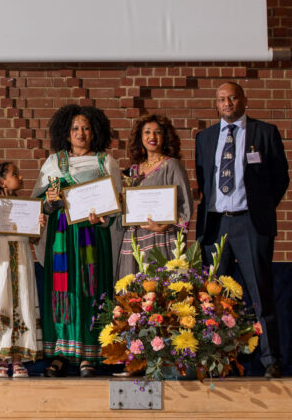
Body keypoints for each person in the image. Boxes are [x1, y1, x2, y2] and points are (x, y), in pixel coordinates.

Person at [195, 82, 289, 379]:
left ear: (244, 100)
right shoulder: (205, 137)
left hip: (250, 223)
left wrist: (260, 207)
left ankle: (271, 359)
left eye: (233, 97)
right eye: (221, 99)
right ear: (216, 104)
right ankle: (216, 360)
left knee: (260, 292)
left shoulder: (265, 132)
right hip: (216, 224)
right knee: (214, 297)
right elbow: (204, 179)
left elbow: (280, 178)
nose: (227, 103)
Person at [31, 104, 121, 378]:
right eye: (75, 129)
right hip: (62, 237)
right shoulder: (53, 162)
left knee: (90, 289)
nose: (80, 133)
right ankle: (60, 353)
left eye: (86, 128)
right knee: (62, 291)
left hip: (92, 235)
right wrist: (49, 202)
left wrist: (102, 218)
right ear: (66, 133)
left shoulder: (105, 162)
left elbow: (116, 205)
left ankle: (88, 356)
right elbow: (39, 203)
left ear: (95, 132)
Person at [0, 162, 45, 378]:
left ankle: (18, 359)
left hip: (22, 257)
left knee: (22, 302)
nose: (20, 177)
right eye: (15, 174)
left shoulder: (27, 206)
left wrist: (39, 226)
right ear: (2, 181)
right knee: (0, 302)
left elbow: (33, 239)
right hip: (0, 259)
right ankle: (1, 359)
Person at [116, 115, 192, 278]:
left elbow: (185, 204)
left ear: (165, 137)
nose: (152, 137)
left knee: (161, 287)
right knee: (134, 289)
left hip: (162, 237)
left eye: (158, 132)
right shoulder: (134, 170)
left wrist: (166, 225)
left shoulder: (171, 165)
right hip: (136, 238)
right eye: (147, 132)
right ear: (140, 137)